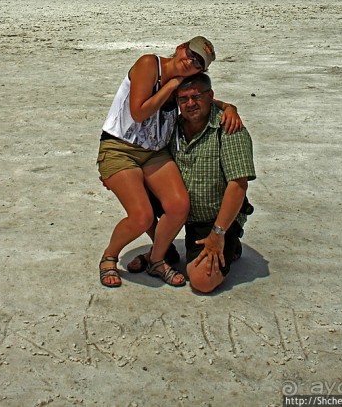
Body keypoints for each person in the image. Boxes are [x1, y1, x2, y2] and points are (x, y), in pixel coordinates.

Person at [97, 37, 242, 288]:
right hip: (121, 149)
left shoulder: (183, 82)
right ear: (180, 47)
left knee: (178, 206)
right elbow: (139, 112)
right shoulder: (149, 64)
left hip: (155, 151)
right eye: (190, 54)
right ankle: (109, 257)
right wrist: (171, 85)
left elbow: (200, 98)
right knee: (141, 216)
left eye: (199, 63)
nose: (191, 62)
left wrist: (228, 107)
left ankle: (156, 260)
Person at [128, 72, 256, 293]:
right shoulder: (172, 126)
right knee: (130, 183)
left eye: (196, 97)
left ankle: (230, 243)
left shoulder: (228, 128)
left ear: (210, 96)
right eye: (183, 99)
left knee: (202, 281)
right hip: (180, 209)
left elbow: (238, 186)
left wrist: (218, 234)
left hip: (214, 219)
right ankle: (163, 249)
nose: (190, 104)